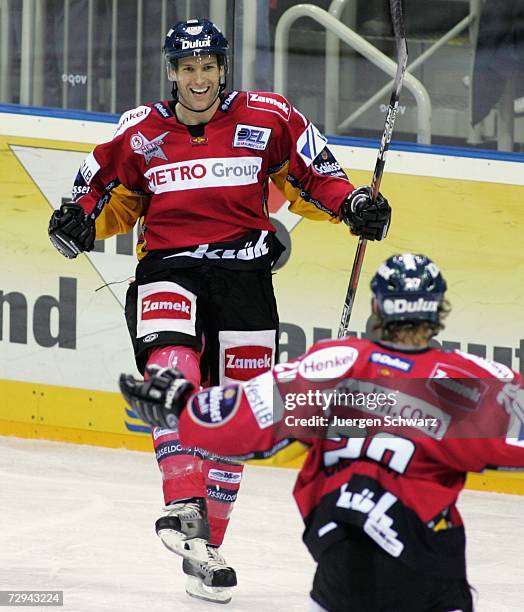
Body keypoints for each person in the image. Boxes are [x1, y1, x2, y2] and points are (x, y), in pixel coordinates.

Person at [47, 17, 391, 604]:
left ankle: (206, 548)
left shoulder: (270, 117)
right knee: (171, 367)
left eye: (208, 67)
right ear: (172, 72)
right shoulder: (139, 132)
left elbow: (319, 178)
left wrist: (354, 204)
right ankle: (183, 503)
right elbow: (99, 194)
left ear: (222, 68)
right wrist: (78, 220)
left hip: (245, 275)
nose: (198, 79)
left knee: (235, 416)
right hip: (169, 269)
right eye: (187, 69)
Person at [119, 253, 524, 612]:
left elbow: (241, 421)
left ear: (377, 307)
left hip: (344, 564)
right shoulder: (469, 383)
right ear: (438, 312)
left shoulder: (334, 365)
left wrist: (182, 405)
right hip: (429, 563)